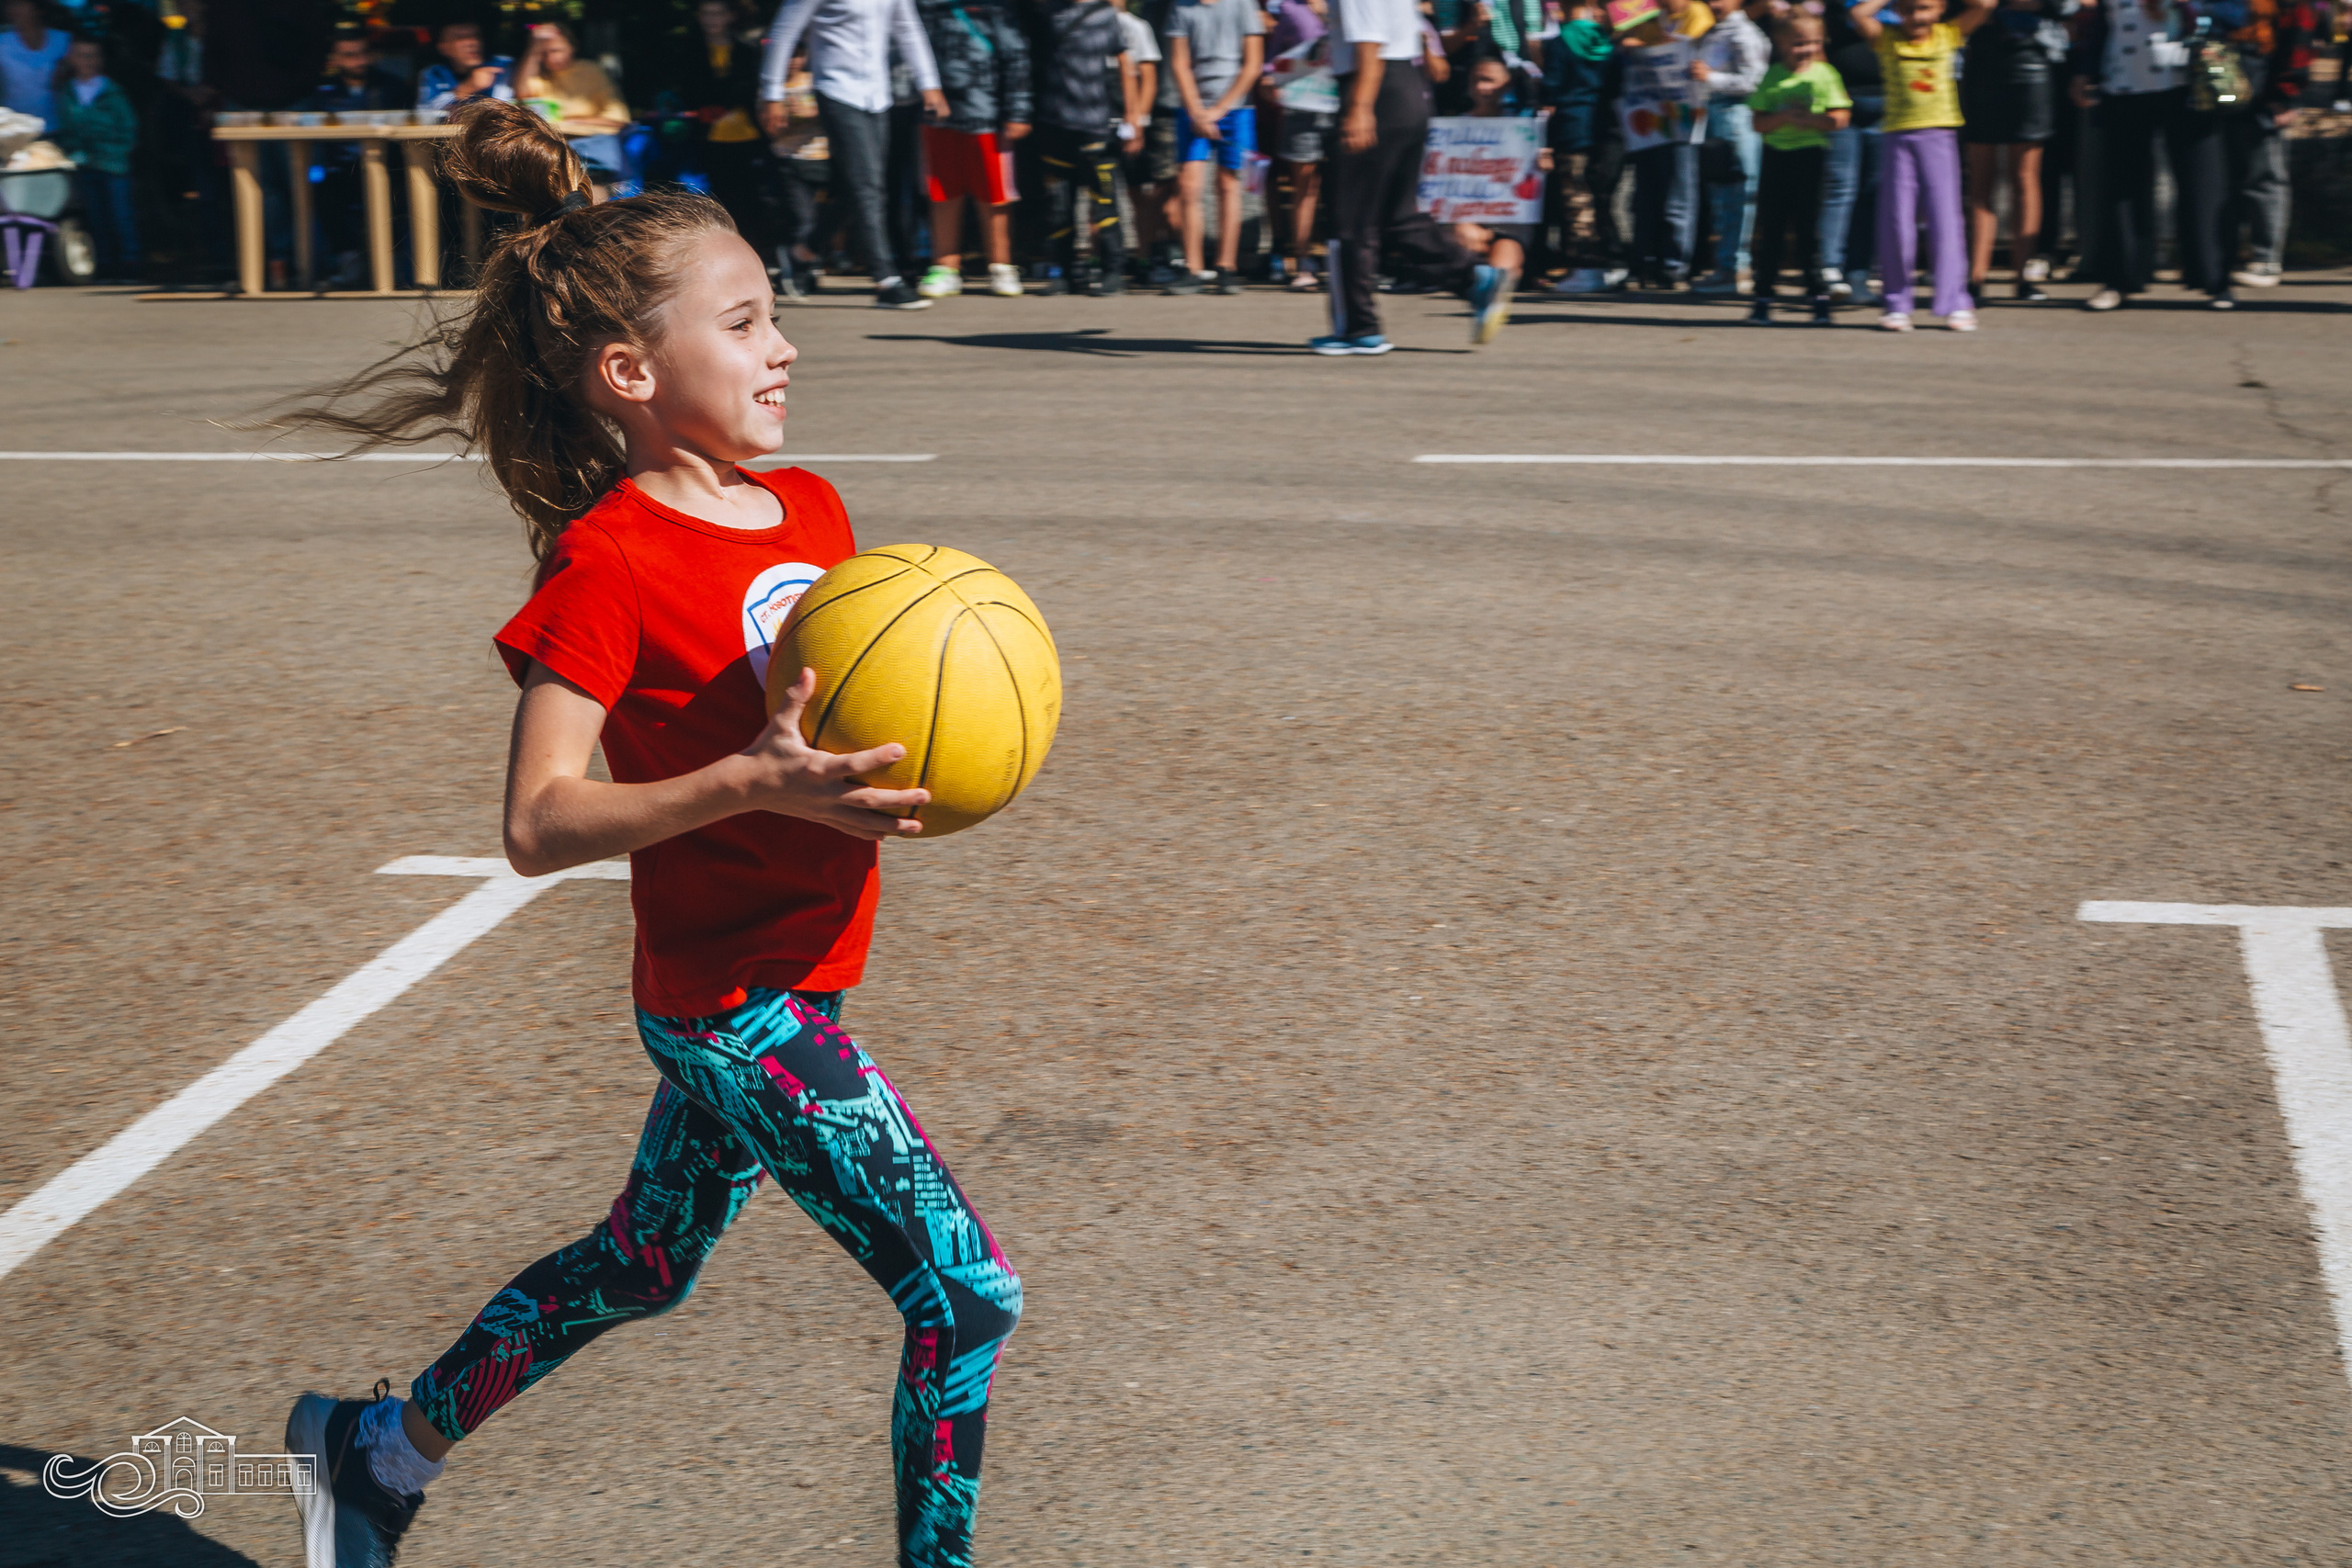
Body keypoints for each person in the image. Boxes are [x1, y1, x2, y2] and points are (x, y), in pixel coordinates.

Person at [269, 98, 1023, 1568]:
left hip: (800, 979)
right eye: (743, 324)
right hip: (731, 1010)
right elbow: (539, 820)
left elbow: (858, 710)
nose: (783, 346)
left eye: (777, 315)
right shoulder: (609, 559)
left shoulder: (812, 509)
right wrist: (747, 781)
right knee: (966, 1292)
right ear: (632, 369)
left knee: (642, 1261)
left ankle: (373, 1451)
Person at [1313, 0, 1510, 352]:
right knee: (1401, 219)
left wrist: (1359, 109)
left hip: (1375, 91)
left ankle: (1357, 329)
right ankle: (1474, 278)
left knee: (1350, 221)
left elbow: (1370, 45)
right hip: (1408, 90)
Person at [760, 0, 950, 308]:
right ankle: (886, 280)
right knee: (868, 187)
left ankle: (802, 252)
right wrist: (772, 93)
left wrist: (930, 84)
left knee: (858, 187)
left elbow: (909, 30)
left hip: (878, 95)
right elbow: (784, 33)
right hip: (836, 90)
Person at [2068, 0, 2226, 310]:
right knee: (2122, 185)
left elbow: (2228, 13)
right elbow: (2105, 21)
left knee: (2201, 184)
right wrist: (2087, 69)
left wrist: (2182, 6)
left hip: (2187, 82)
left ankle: (2214, 279)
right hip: (2123, 81)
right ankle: (2121, 279)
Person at [1847, 0, 1993, 331]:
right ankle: (1897, 302)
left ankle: (1955, 301)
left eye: (1926, 8)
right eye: (1909, 9)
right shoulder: (1887, 38)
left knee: (1945, 219)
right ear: (1898, 11)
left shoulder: (1949, 34)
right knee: (1897, 220)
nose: (1918, 16)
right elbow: (1857, 14)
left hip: (1939, 135)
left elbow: (1985, 5)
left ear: (1941, 8)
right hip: (1898, 137)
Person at [912, 0, 1031, 298]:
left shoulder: (998, 9)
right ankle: (945, 266)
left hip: (988, 116)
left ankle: (1001, 266)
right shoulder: (925, 8)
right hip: (937, 115)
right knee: (942, 191)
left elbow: (1017, 58)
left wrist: (1018, 111)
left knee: (994, 195)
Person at [1742, 11, 1849, 321]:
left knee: (1807, 231)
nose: (1806, 50)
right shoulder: (1773, 75)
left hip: (1810, 156)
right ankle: (1762, 298)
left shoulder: (1825, 74)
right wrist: (1784, 117)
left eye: (1814, 43)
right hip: (1776, 157)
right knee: (1771, 230)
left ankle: (1818, 298)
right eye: (1799, 43)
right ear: (1780, 42)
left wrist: (1812, 120)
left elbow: (1840, 118)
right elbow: (1758, 122)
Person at [1029, 0, 1136, 293]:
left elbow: (1125, 64)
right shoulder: (1045, 12)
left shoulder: (1104, 14)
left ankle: (1113, 271)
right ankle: (1062, 272)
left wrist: (1132, 117)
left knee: (1104, 203)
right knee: (1058, 204)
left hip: (1096, 126)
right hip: (1054, 124)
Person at [1962, 0, 2062, 302]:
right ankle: (1974, 279)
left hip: (2031, 64)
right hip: (1981, 65)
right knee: (1981, 181)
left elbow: (2062, 7)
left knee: (2025, 177)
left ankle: (2023, 278)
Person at [664, 2, 775, 264]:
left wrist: (721, 96)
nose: (711, 19)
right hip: (708, 134)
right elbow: (691, 90)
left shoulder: (746, 49)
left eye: (718, 13)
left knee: (751, 199)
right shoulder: (689, 50)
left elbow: (748, 87)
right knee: (718, 198)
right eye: (706, 13)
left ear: (730, 16)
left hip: (747, 134)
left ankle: (757, 254)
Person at [1166, 0, 1265, 291]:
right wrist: (1197, 110)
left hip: (1237, 110)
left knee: (1228, 185)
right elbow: (1179, 63)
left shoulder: (1243, 5)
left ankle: (1226, 266)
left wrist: (1219, 110)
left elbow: (1252, 65)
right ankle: (1192, 268)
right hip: (1193, 109)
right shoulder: (1181, 8)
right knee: (1188, 184)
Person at [2221, 0, 2314, 290]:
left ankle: (2266, 259)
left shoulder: (2291, 5)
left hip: (2266, 98)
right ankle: (2227, 253)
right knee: (2228, 178)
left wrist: (2287, 95)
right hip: (2226, 94)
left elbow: (2300, 40)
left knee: (2265, 177)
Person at [1614, 0, 1705, 289]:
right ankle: (1643, 263)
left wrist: (1644, 44)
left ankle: (1674, 266)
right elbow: (1620, 39)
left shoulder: (1696, 13)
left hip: (1681, 119)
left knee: (1679, 197)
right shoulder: (1644, 14)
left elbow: (1690, 49)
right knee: (1645, 196)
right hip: (1647, 120)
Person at [1544, 0, 1631, 292]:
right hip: (1603, 126)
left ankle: (1586, 268)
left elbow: (1553, 86)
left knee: (1576, 199)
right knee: (1596, 198)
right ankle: (1605, 264)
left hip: (1571, 128)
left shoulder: (1560, 42)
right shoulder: (1605, 41)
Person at [1446, 49, 1546, 286]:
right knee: (1466, 238)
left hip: (1508, 222)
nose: (1482, 87)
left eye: (1489, 80)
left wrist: (1542, 166)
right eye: (1476, 80)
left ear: (1506, 85)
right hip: (1465, 220)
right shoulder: (1453, 128)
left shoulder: (1524, 130)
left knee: (1502, 274)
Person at [1690, 0, 1771, 293]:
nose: (1714, 3)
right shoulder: (1714, 31)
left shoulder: (1744, 33)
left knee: (1739, 193)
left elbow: (1756, 80)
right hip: (1714, 114)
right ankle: (1726, 266)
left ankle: (1735, 268)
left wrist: (1711, 77)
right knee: (1722, 194)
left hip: (1737, 115)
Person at [51, 35, 140, 282]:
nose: (86, 61)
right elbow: (67, 127)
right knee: (96, 217)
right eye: (81, 55)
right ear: (72, 59)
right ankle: (106, 265)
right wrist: (73, 150)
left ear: (100, 59)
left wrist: (118, 152)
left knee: (121, 216)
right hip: (85, 164)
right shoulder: (67, 92)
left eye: (91, 56)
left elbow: (128, 127)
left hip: (113, 165)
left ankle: (130, 264)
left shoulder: (112, 91)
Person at [515, 22, 631, 195]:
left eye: (557, 50)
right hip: (550, 156)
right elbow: (522, 94)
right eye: (544, 53)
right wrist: (533, 51)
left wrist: (571, 123)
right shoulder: (539, 76)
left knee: (587, 195)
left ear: (573, 47)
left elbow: (618, 118)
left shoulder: (591, 71)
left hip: (591, 156)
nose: (551, 58)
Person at [1815, 0, 1881, 302]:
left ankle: (1858, 274)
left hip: (1887, 104)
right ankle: (1830, 269)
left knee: (1872, 191)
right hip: (1840, 103)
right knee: (1840, 186)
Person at [1263, 0, 1332, 289]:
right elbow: (1273, 62)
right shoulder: (1290, 9)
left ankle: (1345, 262)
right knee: (1305, 188)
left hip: (1346, 110)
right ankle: (1304, 262)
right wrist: (1272, 85)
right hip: (1305, 109)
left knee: (1346, 188)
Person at [416, 20, 514, 115]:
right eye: (460, 37)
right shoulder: (434, 73)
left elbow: (509, 108)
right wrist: (465, 89)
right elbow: (423, 114)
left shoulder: (502, 67)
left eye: (476, 36)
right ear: (443, 48)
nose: (472, 42)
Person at [1, 0, 69, 127]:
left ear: (38, 9)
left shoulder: (64, 41)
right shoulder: (2, 42)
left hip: (56, 126)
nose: (13, 9)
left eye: (20, 4)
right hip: (13, 130)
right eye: (10, 5)